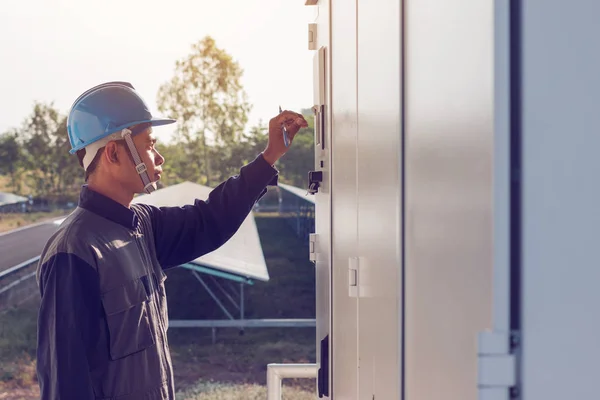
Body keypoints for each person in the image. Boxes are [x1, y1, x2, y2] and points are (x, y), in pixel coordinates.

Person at [35, 81, 308, 399]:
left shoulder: (143, 226)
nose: (159, 157)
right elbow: (65, 383)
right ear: (112, 152)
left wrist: (270, 155)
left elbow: (211, 219)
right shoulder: (75, 251)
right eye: (150, 145)